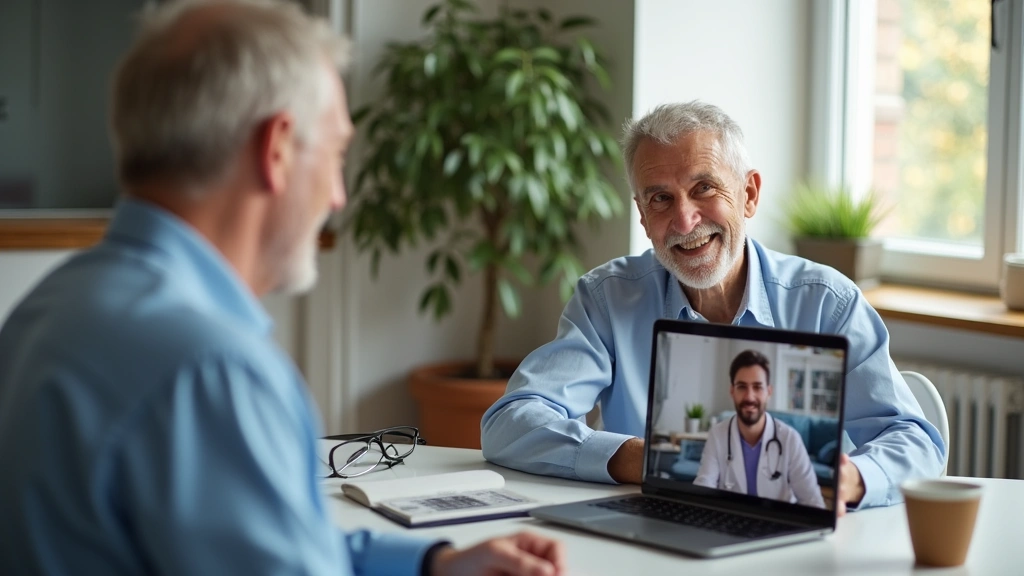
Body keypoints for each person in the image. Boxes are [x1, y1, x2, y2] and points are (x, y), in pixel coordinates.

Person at [0, 1, 564, 575]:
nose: (338, 196)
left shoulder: (43, 312)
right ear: (276, 149)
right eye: (337, 153)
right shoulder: (213, 370)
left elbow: (253, 546)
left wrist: (431, 564)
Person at [481, 101, 945, 515]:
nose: (684, 220)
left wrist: (854, 480)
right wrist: (641, 459)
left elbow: (918, 442)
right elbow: (510, 422)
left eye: (704, 188)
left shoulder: (828, 302)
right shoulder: (608, 297)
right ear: (642, 216)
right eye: (660, 198)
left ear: (749, 195)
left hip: (801, 542)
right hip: (658, 534)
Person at [693, 350, 824, 508]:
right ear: (732, 391)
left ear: (769, 392)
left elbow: (813, 502)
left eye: (757, 387)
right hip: (732, 523)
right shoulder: (718, 434)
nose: (749, 397)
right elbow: (703, 488)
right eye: (742, 387)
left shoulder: (790, 439)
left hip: (779, 526)